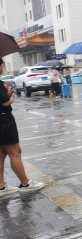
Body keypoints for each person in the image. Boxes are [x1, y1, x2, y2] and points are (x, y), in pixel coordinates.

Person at [0, 58, 44, 197]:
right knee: (15, 152)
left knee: (1, 154)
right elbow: (5, 103)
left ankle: (1, 186)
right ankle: (25, 183)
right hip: (4, 121)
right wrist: (11, 96)